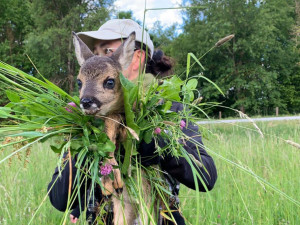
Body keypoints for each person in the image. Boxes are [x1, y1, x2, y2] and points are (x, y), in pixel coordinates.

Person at [48, 19, 217, 225]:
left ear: (135, 57)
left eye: (107, 50)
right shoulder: (83, 119)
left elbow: (206, 176)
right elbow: (58, 199)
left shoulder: (169, 110)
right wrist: (88, 148)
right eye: (93, 52)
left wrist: (158, 146)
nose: (96, 59)